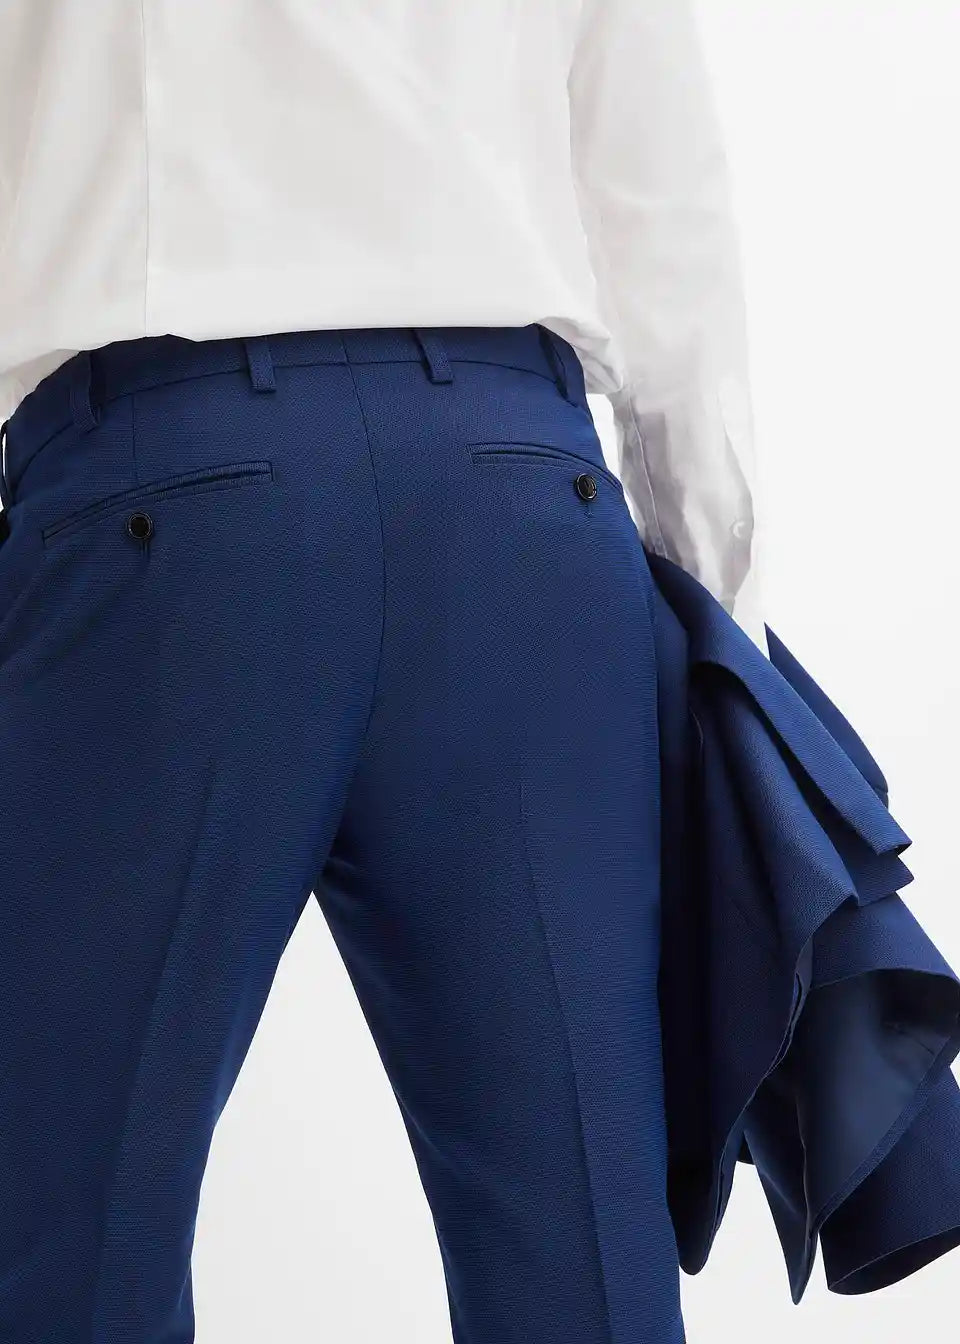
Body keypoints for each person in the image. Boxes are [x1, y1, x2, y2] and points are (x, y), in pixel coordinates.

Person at [2, 5, 960, 1343]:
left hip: (166, 508)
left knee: (66, 1233)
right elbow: (658, 201)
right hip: (517, 510)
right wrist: (718, 628)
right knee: (581, 1256)